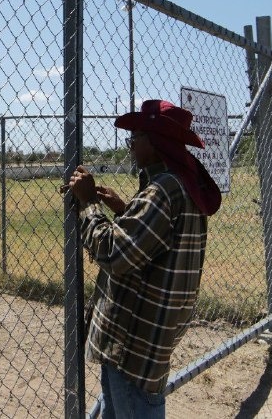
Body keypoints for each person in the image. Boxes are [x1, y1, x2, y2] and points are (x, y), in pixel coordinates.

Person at [67, 99, 222, 418]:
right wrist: (125, 211)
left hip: (132, 342)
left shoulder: (161, 190)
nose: (130, 147)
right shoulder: (182, 185)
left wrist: (87, 204)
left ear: (154, 142)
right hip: (152, 337)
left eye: (134, 139)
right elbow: (160, 245)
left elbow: (113, 253)